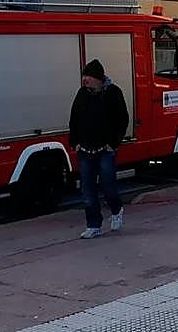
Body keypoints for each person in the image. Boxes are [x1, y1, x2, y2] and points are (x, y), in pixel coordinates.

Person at [68, 59, 130, 239]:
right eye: (84, 76)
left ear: (98, 78)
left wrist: (113, 143)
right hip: (85, 150)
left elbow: (122, 119)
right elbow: (74, 118)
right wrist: (75, 142)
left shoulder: (113, 93)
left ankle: (116, 210)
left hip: (105, 149)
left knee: (108, 185)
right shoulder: (82, 94)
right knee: (87, 190)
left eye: (88, 76)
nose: (85, 79)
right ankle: (93, 225)